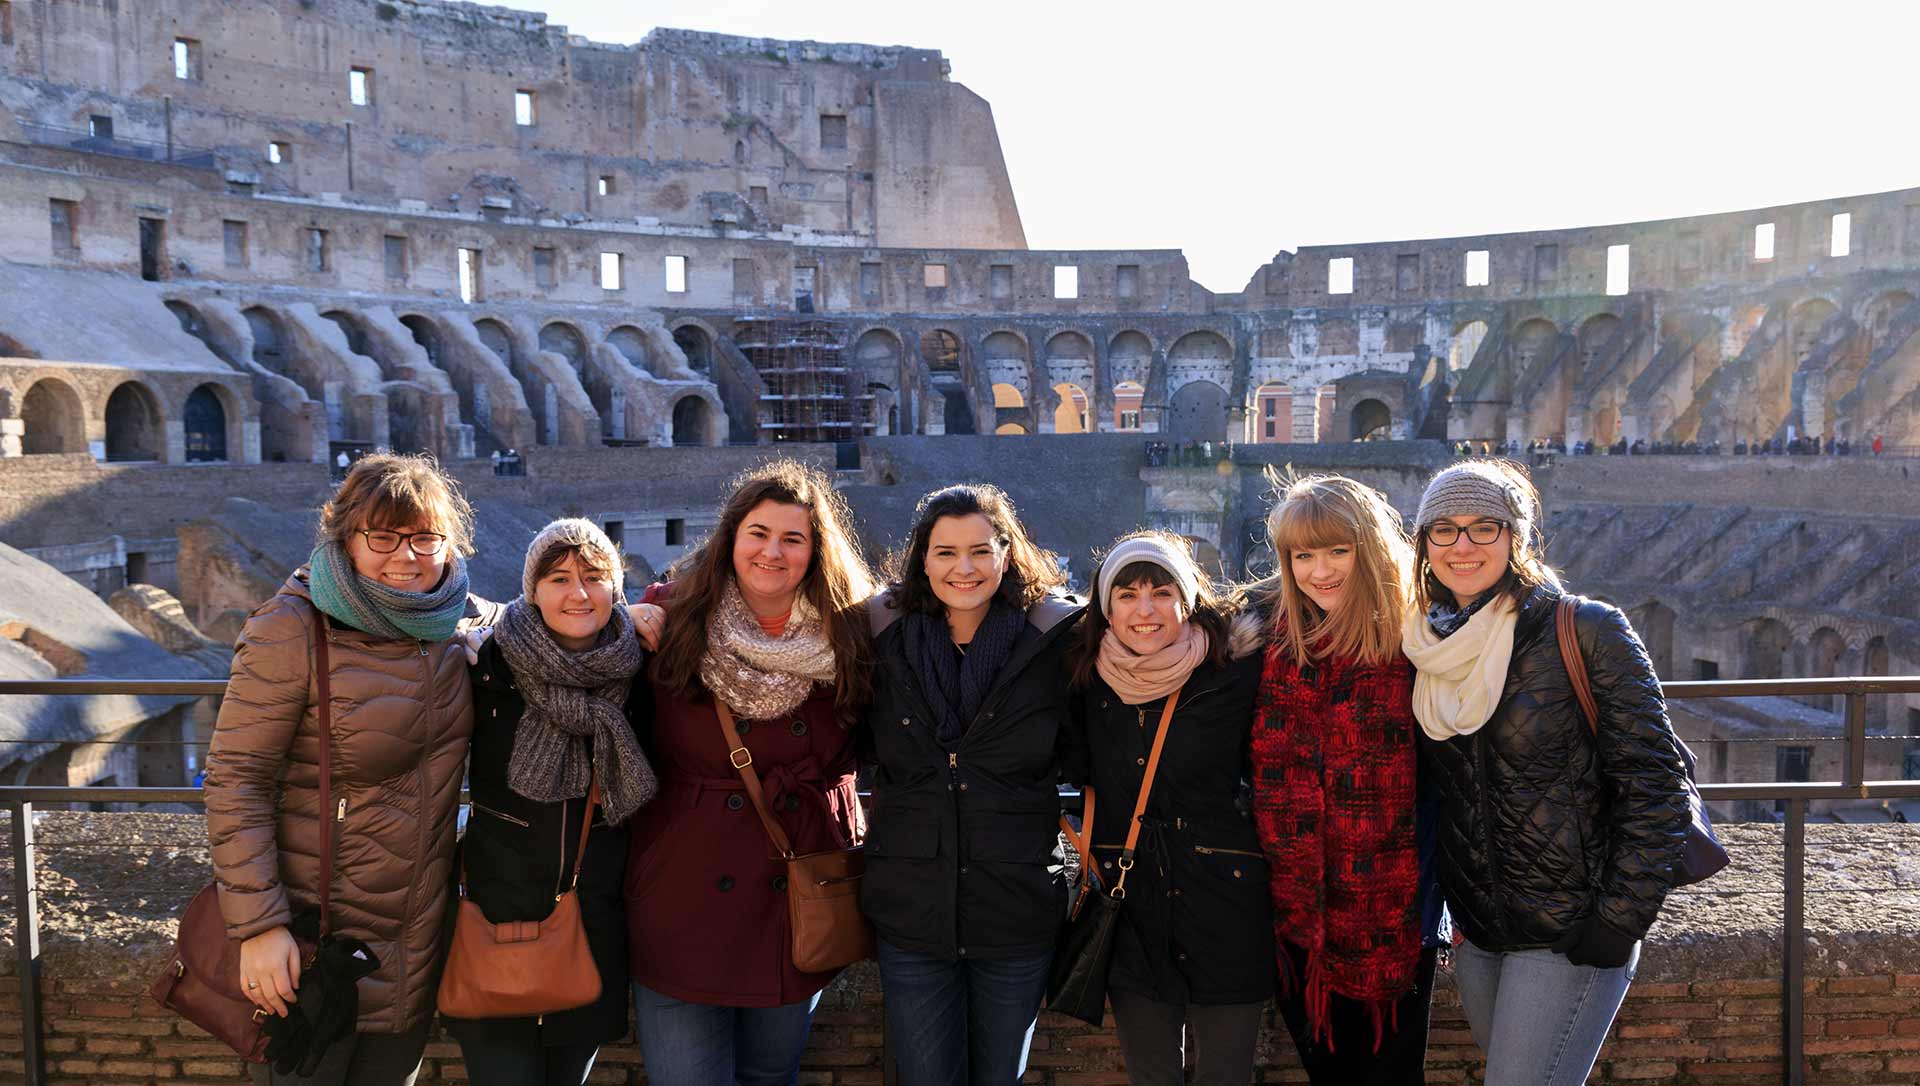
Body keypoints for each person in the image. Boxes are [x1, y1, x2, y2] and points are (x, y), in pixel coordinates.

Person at [205, 453, 498, 1086]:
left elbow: (555, 619)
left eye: (425, 537)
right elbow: (237, 778)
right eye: (383, 536)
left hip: (412, 942)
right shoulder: (291, 628)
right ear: (345, 539)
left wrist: (635, 613)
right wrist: (259, 928)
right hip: (313, 946)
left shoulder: (453, 619)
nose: (407, 556)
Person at [1401, 460, 1689, 1086]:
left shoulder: (1586, 630)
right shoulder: (1424, 646)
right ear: (1423, 545)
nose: (1463, 546)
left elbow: (1659, 787)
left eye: (1485, 527)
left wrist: (1617, 921)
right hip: (1479, 935)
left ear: (1517, 538)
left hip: (1568, 932)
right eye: (1444, 530)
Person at [625, 459, 876, 1086]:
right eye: (758, 533)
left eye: (793, 539)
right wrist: (617, 620)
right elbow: (552, 633)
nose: (773, 552)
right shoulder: (670, 621)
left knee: (771, 1077)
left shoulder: (854, 637)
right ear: (730, 540)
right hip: (682, 895)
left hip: (794, 895)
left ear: (816, 552)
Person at [860, 483, 1083, 1085]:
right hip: (912, 913)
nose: (965, 568)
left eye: (981, 551)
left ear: (1007, 554)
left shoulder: (1056, 639)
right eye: (945, 552)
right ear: (921, 559)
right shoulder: (880, 636)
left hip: (1014, 911)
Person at [444, 519, 658, 1085]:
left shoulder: (642, 670)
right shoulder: (486, 663)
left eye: (594, 576)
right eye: (558, 577)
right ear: (531, 589)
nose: (578, 592)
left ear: (616, 588)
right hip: (496, 916)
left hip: (592, 922)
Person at [1249, 472, 1438, 1084]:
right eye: (1303, 555)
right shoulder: (1263, 641)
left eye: (1338, 550)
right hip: (1295, 917)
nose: (1320, 570)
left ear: (1371, 549)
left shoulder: (1422, 643)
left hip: (1392, 914)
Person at [1064, 531, 1270, 1086]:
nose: (1145, 609)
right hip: (1131, 906)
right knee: (1152, 1076)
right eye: (1127, 594)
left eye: (1161, 591)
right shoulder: (1083, 682)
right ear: (1106, 608)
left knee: (1225, 1077)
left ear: (1188, 599)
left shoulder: (1235, 673)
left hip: (1227, 903)